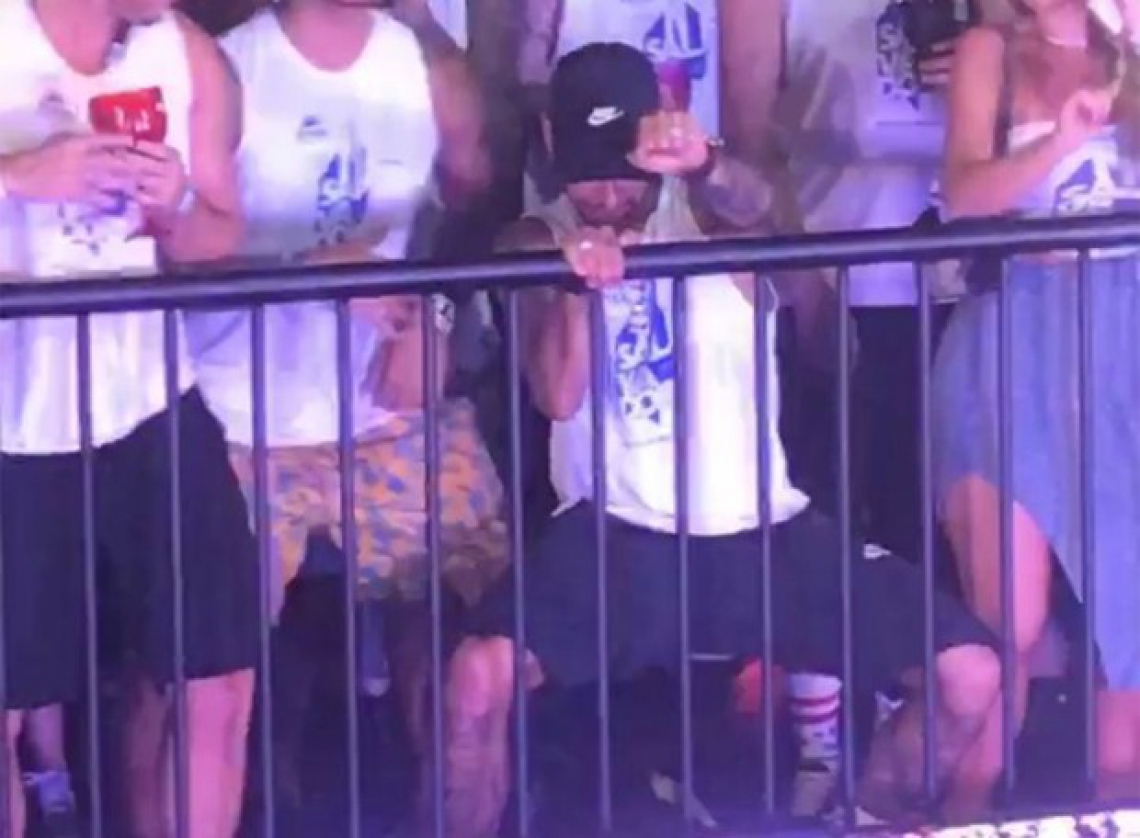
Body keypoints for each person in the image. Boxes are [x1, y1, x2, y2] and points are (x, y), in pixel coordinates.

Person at [442, 43, 1001, 838]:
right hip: (614, 539)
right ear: (553, 145)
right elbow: (557, 394)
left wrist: (703, 164)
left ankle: (866, 818)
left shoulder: (707, 209)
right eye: (590, 176)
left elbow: (756, 208)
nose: (611, 197)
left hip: (762, 531)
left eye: (626, 173)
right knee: (475, 680)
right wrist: (576, 288)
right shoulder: (536, 237)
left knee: (970, 674)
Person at [183, 0, 506, 813]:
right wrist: (310, 268)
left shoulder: (420, 61)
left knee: (481, 631)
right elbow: (173, 251)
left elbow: (468, 206)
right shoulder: (228, 66)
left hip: (385, 411)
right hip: (245, 419)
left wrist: (434, 310)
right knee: (196, 666)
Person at [716, 0, 1017, 816]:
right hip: (836, 281)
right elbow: (750, 140)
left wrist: (991, 79)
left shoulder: (992, 20)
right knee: (832, 518)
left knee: (933, 526)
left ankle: (915, 743)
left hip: (966, 297)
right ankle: (819, 743)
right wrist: (801, 280)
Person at [0, 0, 256, 835]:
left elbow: (221, 234)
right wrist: (16, 176)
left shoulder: (187, 54)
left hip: (151, 397)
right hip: (12, 420)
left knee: (219, 675)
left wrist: (177, 209)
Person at [935, 0, 1140, 808]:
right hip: (1018, 332)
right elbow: (963, 193)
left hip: (1124, 336)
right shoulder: (991, 49)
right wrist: (1060, 140)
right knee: (1008, 625)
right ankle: (964, 808)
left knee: (1130, 612)